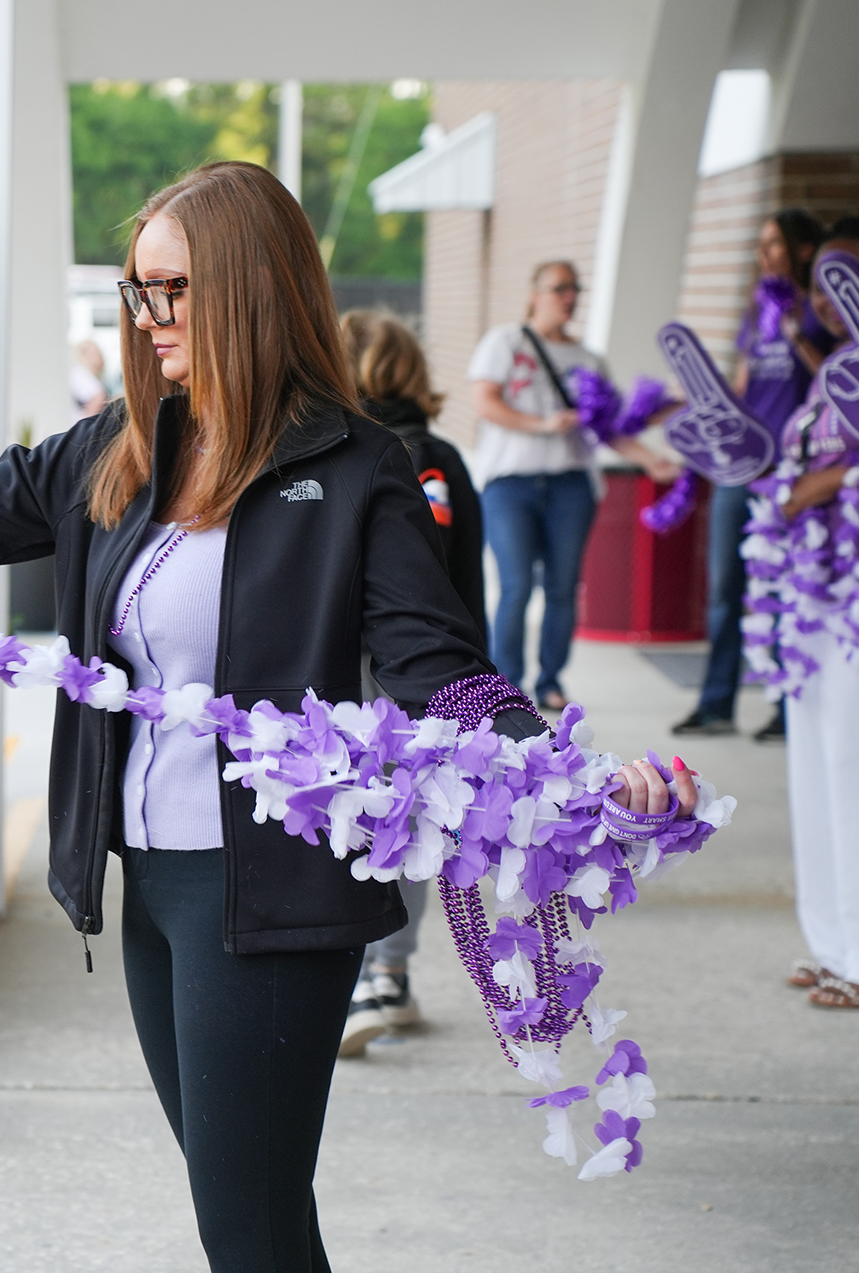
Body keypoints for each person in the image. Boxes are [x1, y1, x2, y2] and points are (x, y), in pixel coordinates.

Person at [0, 162, 694, 1271]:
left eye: (173, 289)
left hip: (275, 904)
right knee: (253, 1215)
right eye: (140, 290)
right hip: (154, 892)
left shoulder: (360, 467)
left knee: (250, 1223)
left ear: (250, 286)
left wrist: (568, 773)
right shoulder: (118, 449)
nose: (150, 316)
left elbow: (438, 665)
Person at [335, 310, 485, 1055]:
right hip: (427, 670)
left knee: (347, 814)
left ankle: (355, 972)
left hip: (345, 666)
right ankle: (389, 972)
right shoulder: (442, 458)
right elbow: (466, 581)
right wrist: (476, 688)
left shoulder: (333, 454)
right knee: (413, 818)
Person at [747, 219, 859, 1010]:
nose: (832, 296)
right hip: (813, 588)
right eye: (825, 280)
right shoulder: (834, 366)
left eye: (852, 278)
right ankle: (832, 939)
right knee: (818, 763)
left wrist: (813, 489)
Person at [469, 261, 682, 710]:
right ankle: (505, 684)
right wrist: (542, 424)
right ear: (535, 294)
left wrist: (651, 460)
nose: (569, 297)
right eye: (559, 288)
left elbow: (609, 427)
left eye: (575, 289)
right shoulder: (506, 342)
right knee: (515, 585)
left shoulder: (588, 358)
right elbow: (484, 402)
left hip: (571, 485)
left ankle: (550, 681)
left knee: (563, 587)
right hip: (510, 483)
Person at [673, 209, 830, 743]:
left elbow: (834, 381)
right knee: (725, 590)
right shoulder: (756, 311)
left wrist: (797, 335)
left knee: (786, 589)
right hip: (743, 468)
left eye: (774, 244)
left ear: (803, 250)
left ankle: (788, 710)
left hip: (794, 470)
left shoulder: (818, 312)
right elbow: (742, 390)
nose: (764, 255)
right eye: (761, 245)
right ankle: (715, 704)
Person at [71, 338, 110, 417]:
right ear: (83, 355)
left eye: (99, 353)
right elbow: (98, 397)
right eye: (94, 354)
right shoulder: (81, 374)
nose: (99, 357)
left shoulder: (92, 376)